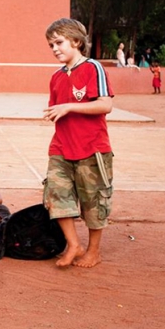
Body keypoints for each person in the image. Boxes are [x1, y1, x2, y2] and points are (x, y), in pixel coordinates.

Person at [43, 18, 114, 268]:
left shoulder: (93, 68)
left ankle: (94, 251)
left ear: (75, 41)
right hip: (61, 147)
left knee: (94, 201)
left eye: (59, 42)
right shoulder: (56, 77)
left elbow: (106, 105)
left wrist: (69, 107)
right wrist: (56, 111)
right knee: (56, 194)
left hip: (92, 149)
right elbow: (57, 108)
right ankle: (74, 244)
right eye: (51, 44)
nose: (55, 48)